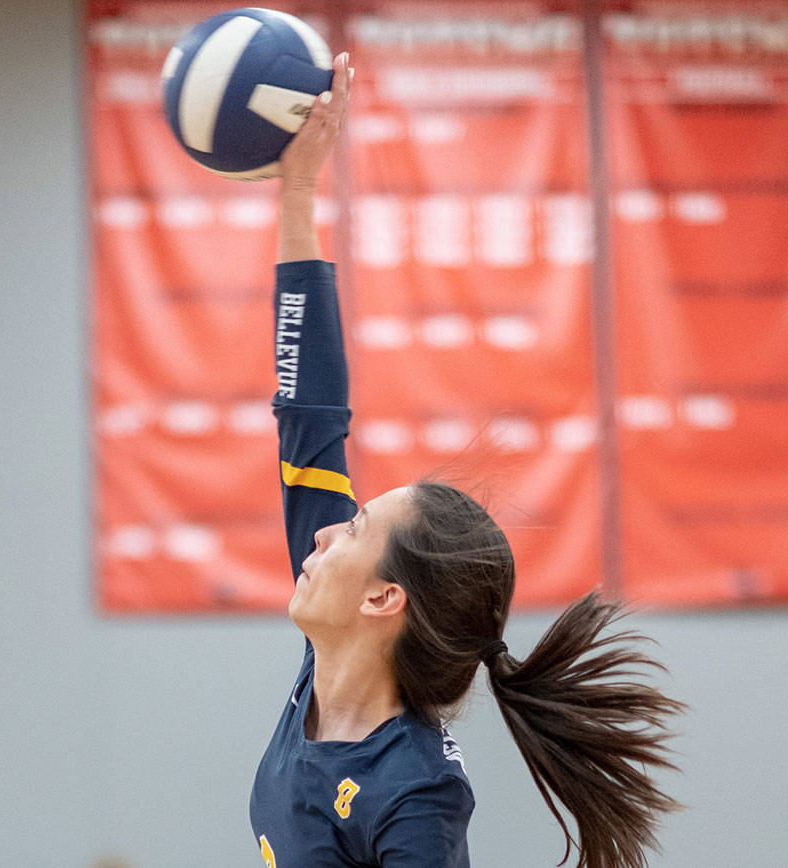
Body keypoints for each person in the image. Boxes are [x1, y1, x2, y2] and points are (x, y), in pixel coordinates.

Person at [248, 52, 684, 868]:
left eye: (353, 530)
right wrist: (298, 191)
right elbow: (307, 416)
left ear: (383, 598)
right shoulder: (326, 664)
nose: (321, 537)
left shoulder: (415, 791)